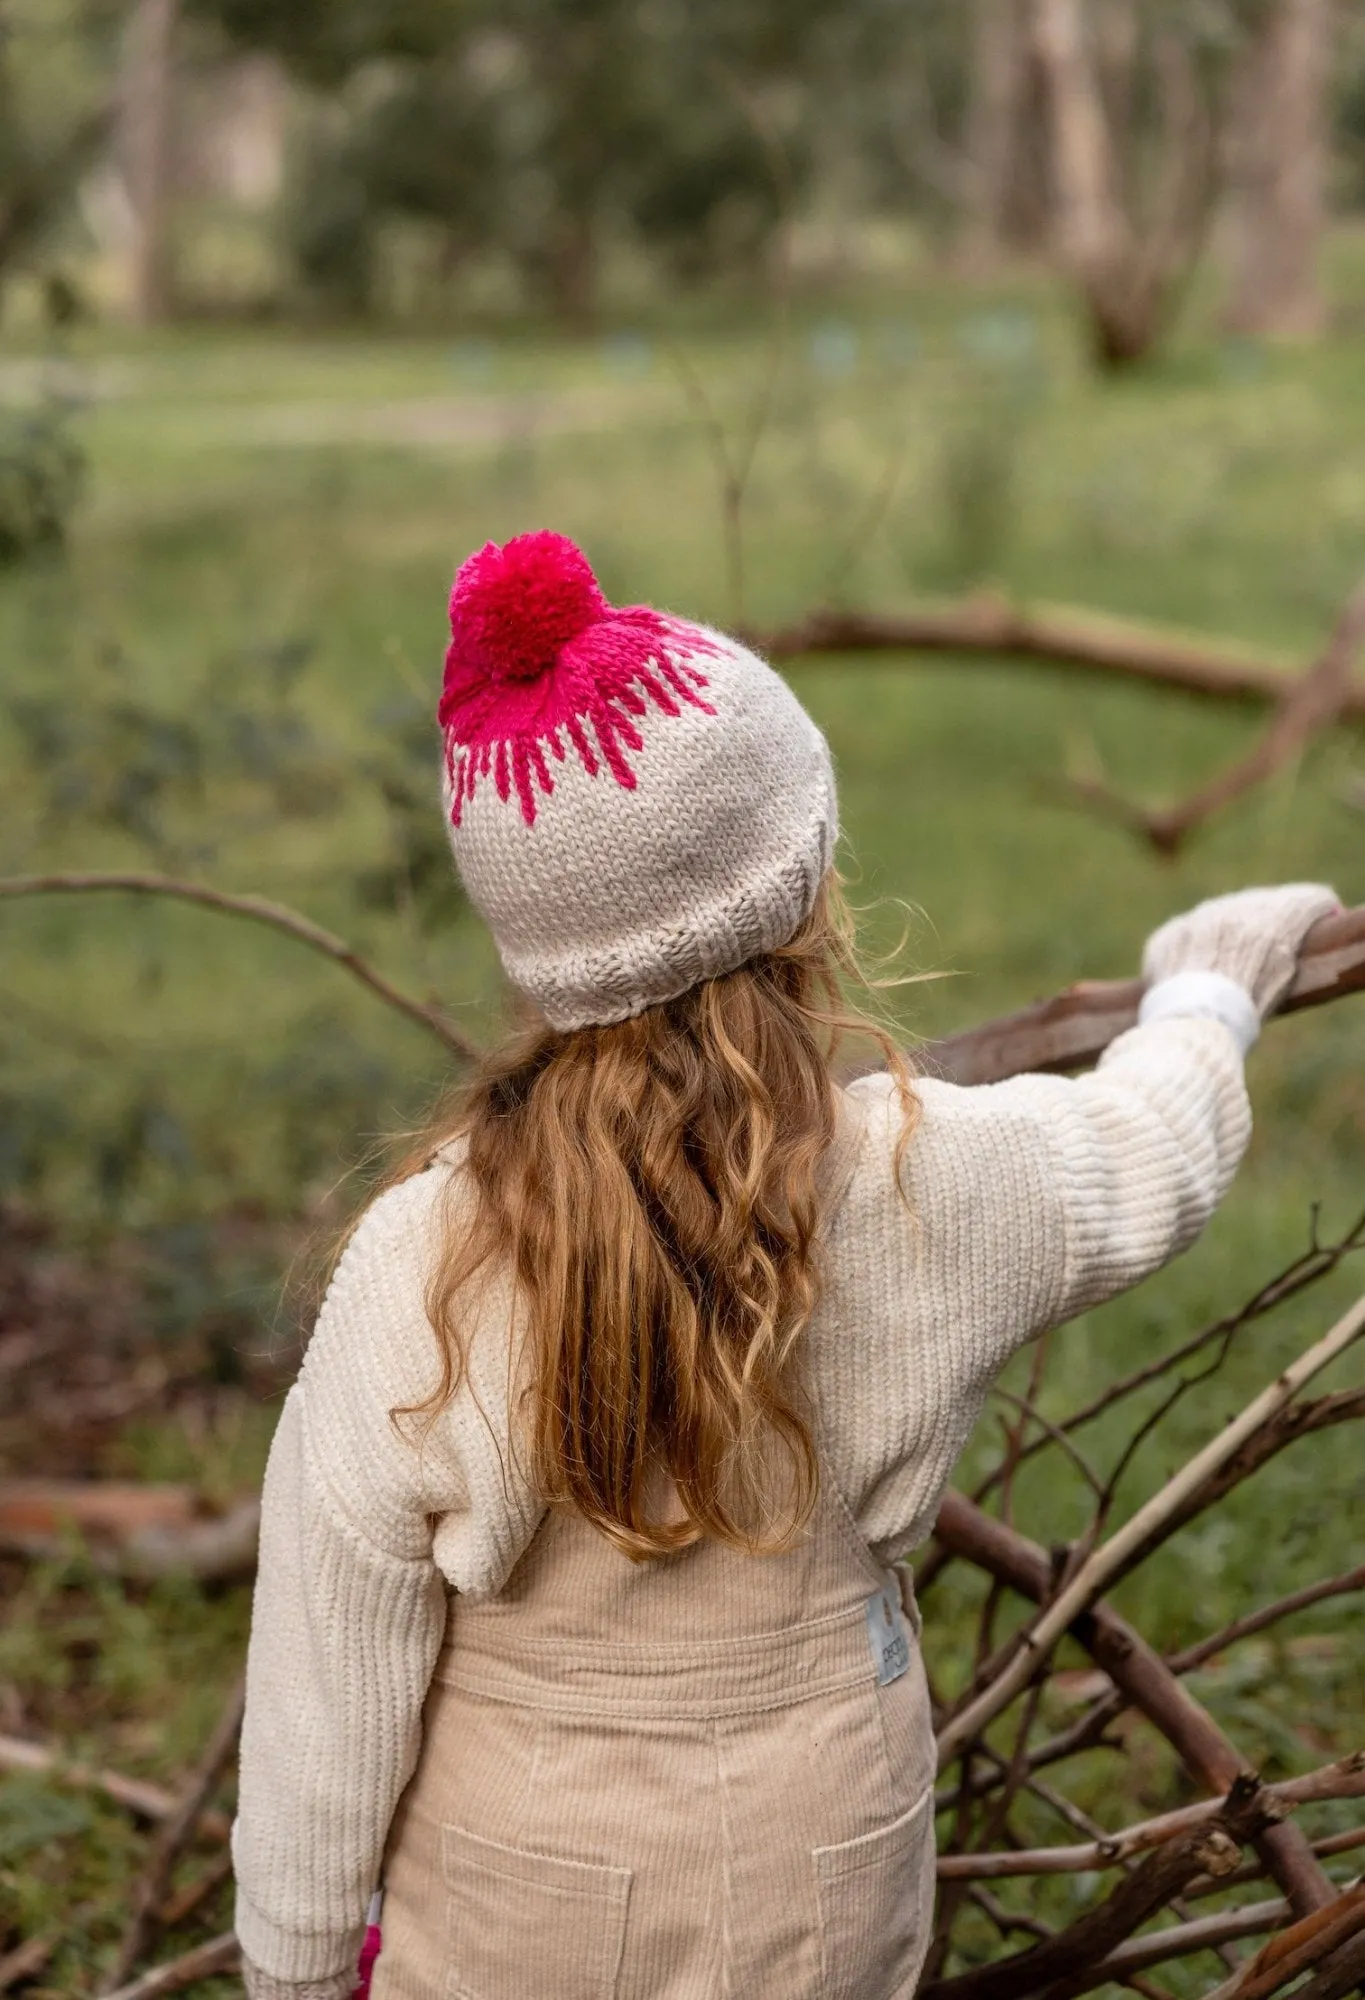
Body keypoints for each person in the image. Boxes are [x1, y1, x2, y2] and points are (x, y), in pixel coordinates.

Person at [231, 530, 1337, 2000]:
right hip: (826, 1842)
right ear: (806, 894)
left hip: (519, 1875)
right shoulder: (920, 1177)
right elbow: (1152, 1153)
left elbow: (329, 1683)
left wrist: (298, 1970)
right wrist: (1209, 994)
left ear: (532, 955)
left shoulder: (428, 1256)